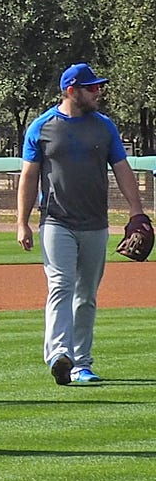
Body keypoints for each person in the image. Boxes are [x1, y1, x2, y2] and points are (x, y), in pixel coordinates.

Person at [16, 62, 145, 387]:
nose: (98, 92)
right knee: (61, 285)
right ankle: (60, 355)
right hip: (56, 221)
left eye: (98, 86)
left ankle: (82, 364)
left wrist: (137, 211)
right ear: (72, 91)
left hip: (95, 223)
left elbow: (122, 168)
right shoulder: (42, 127)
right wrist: (22, 222)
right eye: (92, 87)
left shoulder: (104, 127)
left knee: (86, 294)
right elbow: (29, 176)